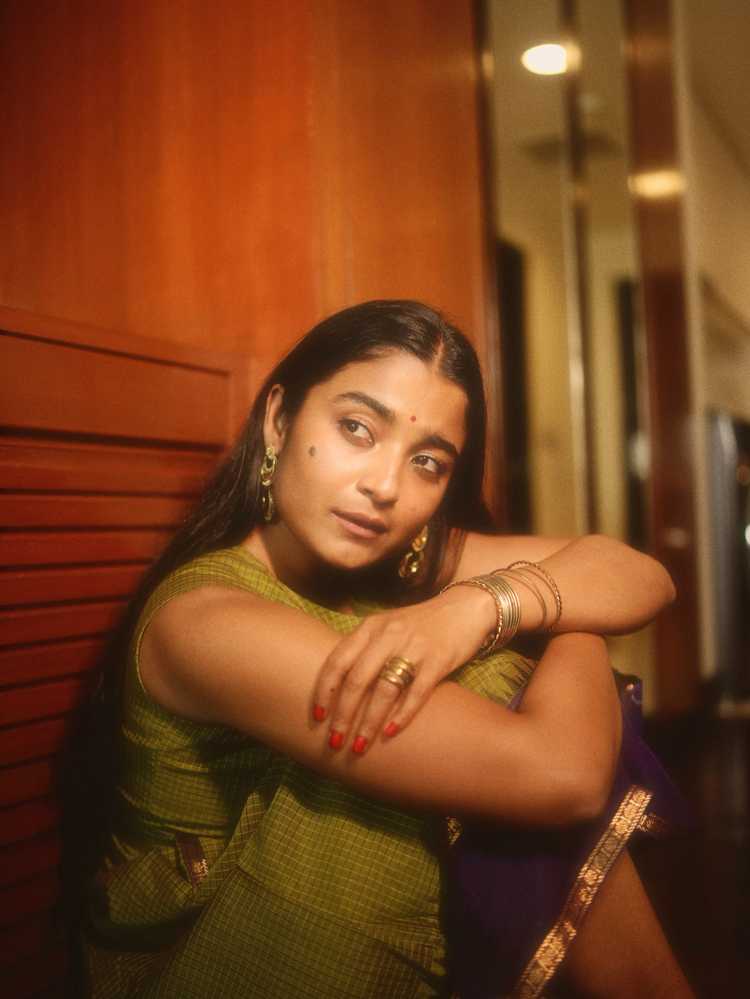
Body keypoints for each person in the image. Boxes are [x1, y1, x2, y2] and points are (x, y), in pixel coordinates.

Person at [73, 300, 692, 998]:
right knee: (491, 687)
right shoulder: (205, 623)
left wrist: (477, 607)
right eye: (357, 429)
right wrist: (561, 614)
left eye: (427, 462)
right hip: (203, 965)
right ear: (278, 419)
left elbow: (637, 574)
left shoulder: (395, 562)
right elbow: (560, 775)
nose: (385, 485)